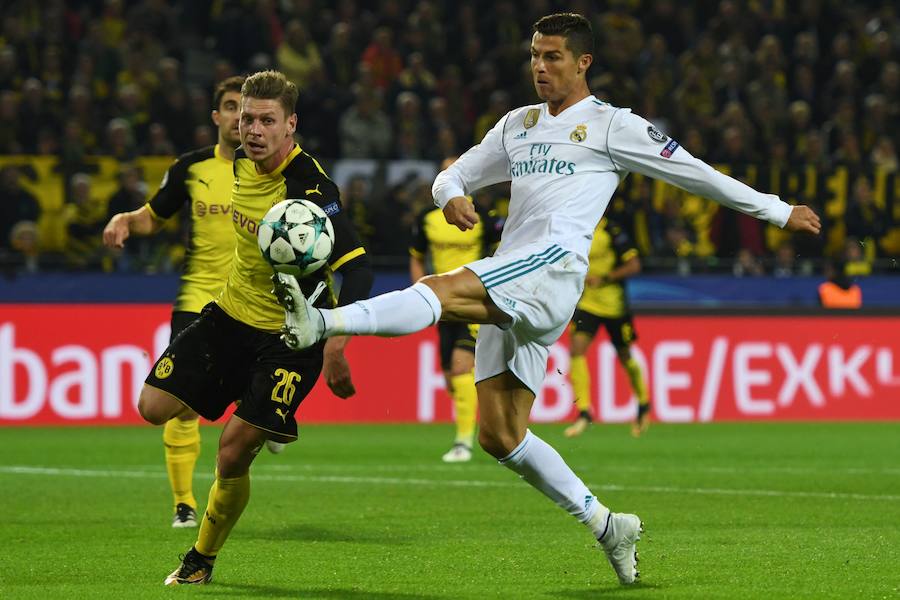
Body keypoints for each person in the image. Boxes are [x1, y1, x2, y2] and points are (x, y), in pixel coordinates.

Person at [276, 13, 821, 585]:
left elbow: (694, 174)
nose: (540, 65)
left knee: (440, 290)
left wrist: (776, 210)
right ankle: (609, 524)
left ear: (583, 62)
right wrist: (452, 197)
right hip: (516, 273)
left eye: (553, 56)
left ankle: (320, 321)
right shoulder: (518, 125)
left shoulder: (613, 126)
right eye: (535, 54)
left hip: (552, 267)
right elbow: (451, 175)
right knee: (499, 435)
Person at [134, 70, 373, 585]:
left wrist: (335, 346)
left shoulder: (310, 188)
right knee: (152, 407)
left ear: (292, 125)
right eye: (247, 118)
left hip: (290, 340)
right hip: (227, 317)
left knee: (233, 449)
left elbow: (359, 269)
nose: (254, 130)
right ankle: (250, 398)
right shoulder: (240, 162)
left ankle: (200, 559)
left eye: (268, 120)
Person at [103, 76, 266, 530]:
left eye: (247, 109)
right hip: (199, 299)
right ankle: (183, 504)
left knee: (257, 391)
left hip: (255, 300)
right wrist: (124, 220)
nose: (239, 117)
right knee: (182, 403)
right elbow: (153, 218)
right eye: (232, 107)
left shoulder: (271, 169)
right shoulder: (190, 168)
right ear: (217, 117)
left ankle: (261, 409)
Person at [409, 157, 501, 462]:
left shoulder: (483, 216)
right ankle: (475, 424)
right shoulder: (426, 218)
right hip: (441, 301)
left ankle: (464, 442)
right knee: (451, 377)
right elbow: (417, 256)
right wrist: (420, 290)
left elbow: (500, 249)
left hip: (472, 300)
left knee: (462, 366)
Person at [564, 217, 651, 439]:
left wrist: (606, 278)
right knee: (576, 349)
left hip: (615, 306)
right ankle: (584, 412)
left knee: (625, 356)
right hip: (588, 303)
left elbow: (634, 265)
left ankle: (643, 404)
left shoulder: (613, 230)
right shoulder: (577, 225)